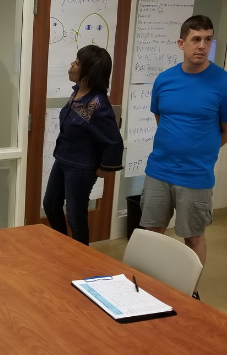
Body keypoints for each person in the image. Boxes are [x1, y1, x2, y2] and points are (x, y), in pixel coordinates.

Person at [140, 15, 227, 297]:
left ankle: (190, 291)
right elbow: (160, 117)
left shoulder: (222, 82)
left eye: (208, 39)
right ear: (182, 43)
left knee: (193, 236)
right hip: (159, 171)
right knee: (151, 233)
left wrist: (203, 150)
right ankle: (148, 287)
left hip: (196, 176)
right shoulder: (164, 80)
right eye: (196, 39)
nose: (202, 46)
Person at [43, 45, 123, 245]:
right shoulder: (78, 92)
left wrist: (102, 170)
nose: (72, 64)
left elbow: (114, 143)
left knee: (75, 217)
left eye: (77, 63)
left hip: (81, 168)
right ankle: (64, 247)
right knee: (51, 204)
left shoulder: (98, 105)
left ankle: (80, 263)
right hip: (63, 160)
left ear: (89, 72)